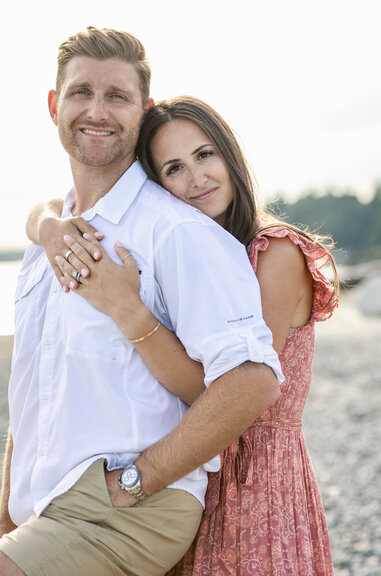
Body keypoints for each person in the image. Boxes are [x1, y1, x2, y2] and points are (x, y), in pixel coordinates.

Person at [0, 29, 284, 576]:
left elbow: (253, 379)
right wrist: (7, 505)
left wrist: (138, 480)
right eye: (82, 92)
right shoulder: (48, 243)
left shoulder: (174, 231)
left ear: (142, 111)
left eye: (118, 96)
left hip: (127, 508)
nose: (97, 111)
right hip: (46, 505)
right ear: (55, 105)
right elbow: (32, 387)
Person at [26, 95, 339, 575]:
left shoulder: (274, 252)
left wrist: (127, 309)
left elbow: (230, 390)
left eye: (204, 155)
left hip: (255, 477)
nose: (196, 179)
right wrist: (48, 225)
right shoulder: (186, 257)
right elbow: (49, 205)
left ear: (229, 155)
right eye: (173, 168)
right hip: (190, 470)